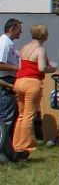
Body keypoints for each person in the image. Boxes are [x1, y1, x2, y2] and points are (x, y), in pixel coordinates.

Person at [11, 25, 54, 159]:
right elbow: (41, 68)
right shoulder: (40, 49)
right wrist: (52, 68)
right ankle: (25, 146)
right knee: (29, 116)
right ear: (44, 35)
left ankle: (16, 144)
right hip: (32, 82)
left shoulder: (24, 47)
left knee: (22, 115)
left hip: (19, 81)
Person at [0, 19, 19, 164]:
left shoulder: (9, 43)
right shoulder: (4, 43)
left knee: (10, 118)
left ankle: (9, 151)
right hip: (5, 83)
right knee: (6, 119)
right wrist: (17, 68)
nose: (21, 32)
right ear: (12, 28)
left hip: (10, 82)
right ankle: (4, 154)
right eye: (19, 29)